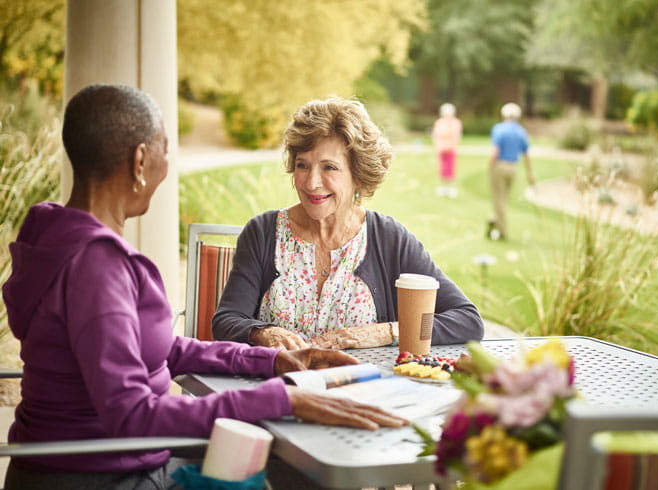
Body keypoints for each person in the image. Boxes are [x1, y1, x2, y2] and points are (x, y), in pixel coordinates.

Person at [0, 85, 406, 490]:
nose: (167, 163)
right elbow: (132, 414)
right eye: (164, 148)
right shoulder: (96, 266)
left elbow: (158, 350)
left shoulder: (59, 238)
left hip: (97, 461)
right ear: (141, 160)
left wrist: (273, 363)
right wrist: (282, 400)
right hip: (101, 475)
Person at [212, 97, 484, 350]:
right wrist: (265, 333)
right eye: (302, 165)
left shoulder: (388, 239)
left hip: (361, 394)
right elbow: (227, 321)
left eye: (329, 167)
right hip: (278, 392)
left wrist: (384, 332)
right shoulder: (262, 232)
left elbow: (467, 320)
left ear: (359, 175)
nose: (311, 182)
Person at [488, 102, 535, 241]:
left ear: (504, 115)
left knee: (498, 200)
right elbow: (526, 154)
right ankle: (494, 220)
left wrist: (490, 166)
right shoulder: (521, 131)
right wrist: (530, 173)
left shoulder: (499, 129)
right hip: (514, 167)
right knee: (503, 199)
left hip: (500, 165)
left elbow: (495, 151)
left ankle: (501, 231)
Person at [431, 102, 462, 198]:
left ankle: (450, 188)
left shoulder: (456, 123)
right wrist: (439, 146)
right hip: (441, 149)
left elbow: (456, 136)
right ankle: (443, 188)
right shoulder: (439, 123)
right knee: (442, 169)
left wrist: (449, 146)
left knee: (451, 170)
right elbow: (436, 136)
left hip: (451, 149)